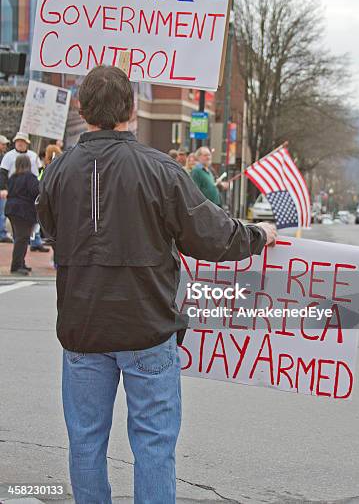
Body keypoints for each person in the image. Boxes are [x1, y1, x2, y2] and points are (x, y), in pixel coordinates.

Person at [36, 65, 276, 504]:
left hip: (83, 328)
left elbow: (49, 230)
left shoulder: (57, 172)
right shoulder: (160, 169)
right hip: (146, 327)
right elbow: (211, 235)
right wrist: (259, 236)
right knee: (153, 445)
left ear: (82, 108)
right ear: (130, 110)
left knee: (86, 443)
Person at [0, 132, 48, 253]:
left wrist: (40, 181)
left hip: (32, 190)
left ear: (27, 143)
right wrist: (3, 188)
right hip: (15, 190)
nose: (20, 143)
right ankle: (17, 240)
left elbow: (41, 171)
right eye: (18, 141)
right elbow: (3, 173)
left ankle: (35, 241)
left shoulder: (33, 155)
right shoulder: (9, 156)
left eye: (22, 142)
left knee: (35, 219)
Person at [5, 154, 39, 275]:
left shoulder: (13, 177)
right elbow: (36, 192)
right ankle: (16, 266)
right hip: (24, 211)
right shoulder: (30, 178)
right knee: (22, 238)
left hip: (11, 209)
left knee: (18, 237)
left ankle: (21, 262)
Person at [0, 135, 13, 243]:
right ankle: (2, 234)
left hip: (3, 188)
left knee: (2, 212)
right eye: (3, 144)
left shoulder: (4, 156)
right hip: (2, 189)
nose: (5, 146)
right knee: (2, 212)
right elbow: (2, 174)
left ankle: (2, 233)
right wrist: (3, 188)